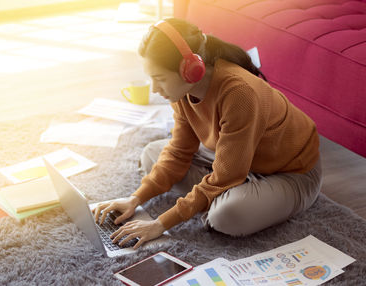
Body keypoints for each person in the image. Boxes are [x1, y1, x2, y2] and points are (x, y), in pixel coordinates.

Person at [93, 18, 322, 249]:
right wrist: (135, 199)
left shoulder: (239, 94)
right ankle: (232, 195)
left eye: (160, 79)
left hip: (291, 173)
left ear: (190, 70)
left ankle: (240, 198)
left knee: (226, 216)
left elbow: (226, 176)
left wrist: (160, 224)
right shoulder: (181, 92)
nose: (154, 88)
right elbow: (180, 151)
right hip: (241, 161)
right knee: (152, 155)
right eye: (151, 78)